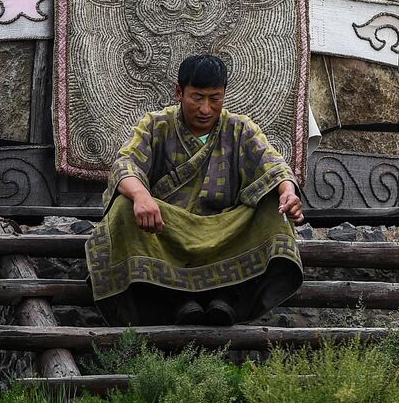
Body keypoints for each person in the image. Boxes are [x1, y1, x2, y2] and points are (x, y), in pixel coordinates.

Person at [85, 54, 307, 325]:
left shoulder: (240, 128)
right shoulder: (156, 125)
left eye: (215, 98)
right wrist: (142, 196)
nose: (205, 108)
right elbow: (126, 164)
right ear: (179, 92)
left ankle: (227, 298)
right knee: (123, 206)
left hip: (224, 232)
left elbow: (273, 166)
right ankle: (174, 299)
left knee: (274, 205)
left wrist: (287, 193)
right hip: (168, 232)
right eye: (197, 97)